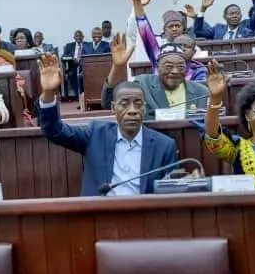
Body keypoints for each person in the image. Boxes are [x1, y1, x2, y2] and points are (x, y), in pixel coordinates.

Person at [37, 52, 178, 196]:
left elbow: (170, 191)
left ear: (145, 107)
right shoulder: (95, 134)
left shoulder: (164, 145)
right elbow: (53, 130)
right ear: (113, 107)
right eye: (124, 104)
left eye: (138, 104)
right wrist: (48, 92)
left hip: (145, 215)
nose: (132, 111)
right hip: (99, 214)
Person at [102, 34, 209, 119]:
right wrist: (117, 67)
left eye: (181, 66)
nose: (175, 71)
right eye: (168, 66)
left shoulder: (201, 92)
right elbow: (108, 102)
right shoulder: (143, 84)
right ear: (157, 67)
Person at [128, 0, 206, 82]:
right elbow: (144, 30)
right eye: (178, 46)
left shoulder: (198, 71)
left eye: (186, 46)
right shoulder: (158, 61)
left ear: (194, 52)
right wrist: (137, 3)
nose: (181, 49)